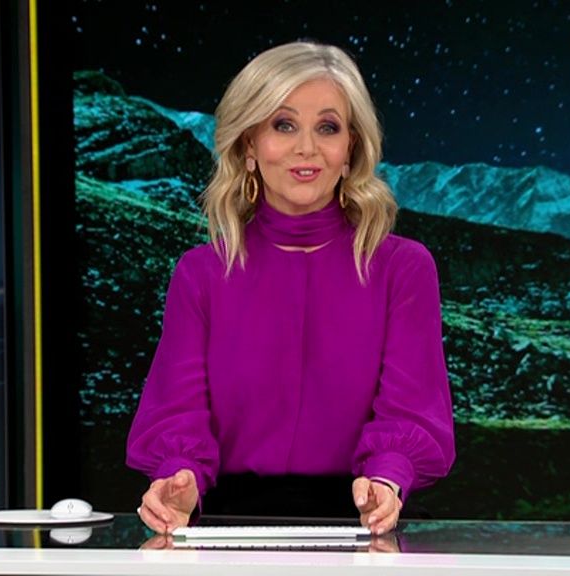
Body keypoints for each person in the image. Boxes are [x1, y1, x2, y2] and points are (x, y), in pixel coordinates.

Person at [126, 41, 455, 535]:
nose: (307, 148)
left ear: (351, 151)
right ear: (249, 146)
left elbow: (412, 408)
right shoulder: (201, 272)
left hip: (365, 527)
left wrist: (387, 480)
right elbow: (178, 411)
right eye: (283, 125)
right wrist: (179, 481)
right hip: (226, 528)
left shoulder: (403, 268)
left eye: (328, 127)